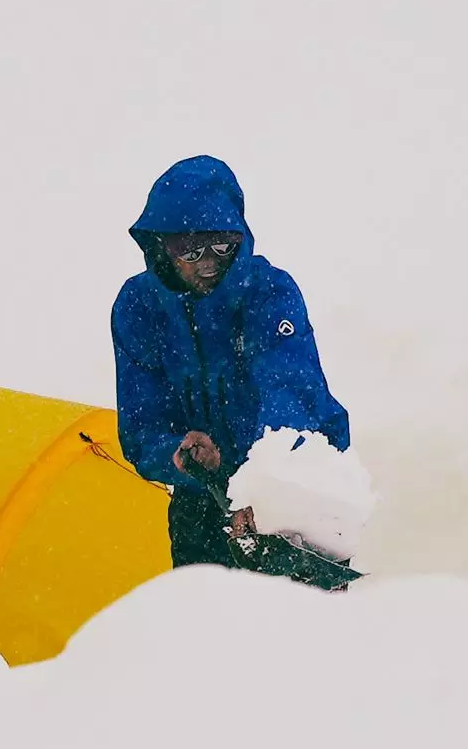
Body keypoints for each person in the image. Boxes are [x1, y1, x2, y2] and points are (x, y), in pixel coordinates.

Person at [111, 155, 349, 568]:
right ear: (162, 248)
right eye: (191, 249)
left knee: (307, 627)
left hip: (300, 483)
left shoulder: (270, 294)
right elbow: (141, 428)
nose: (208, 262)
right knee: (207, 624)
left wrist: (264, 491)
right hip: (201, 498)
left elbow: (290, 397)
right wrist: (179, 453)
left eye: (223, 246)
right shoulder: (138, 309)